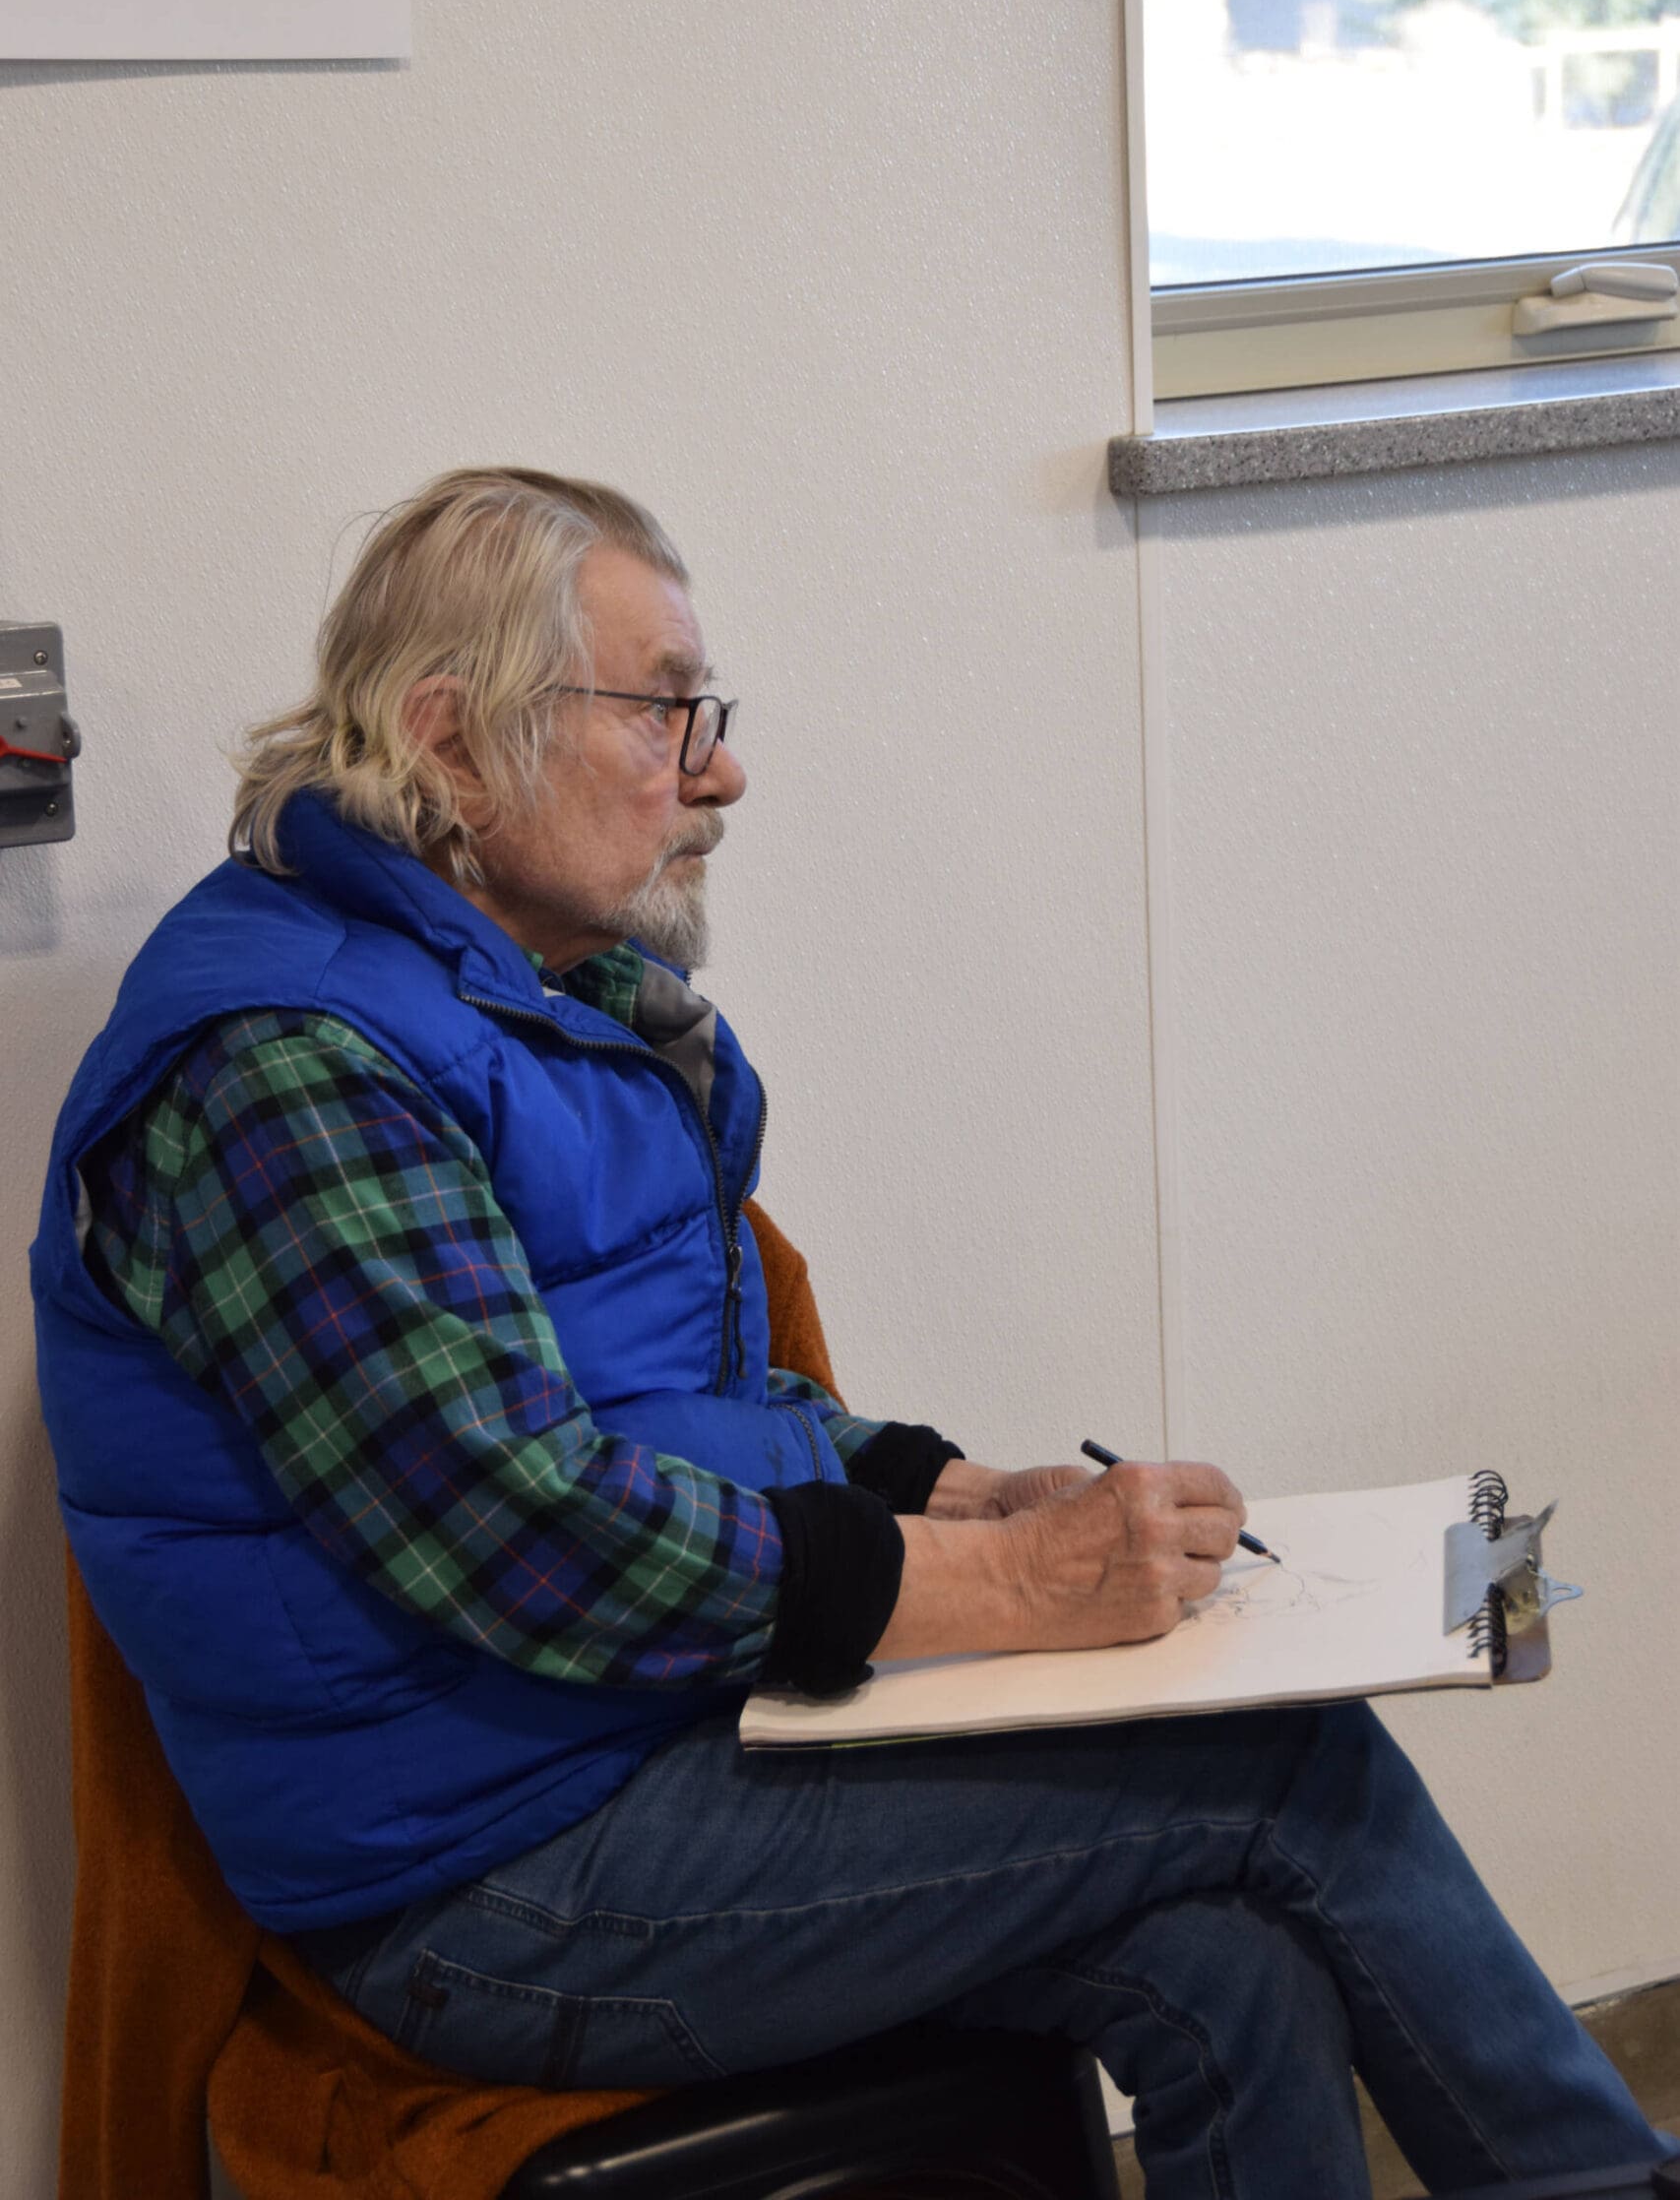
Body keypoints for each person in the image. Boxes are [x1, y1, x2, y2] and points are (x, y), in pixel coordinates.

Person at [34, 468, 1668, 2200]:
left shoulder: (536, 996)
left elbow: (683, 1401)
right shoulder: (290, 1069)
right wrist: (1019, 1586)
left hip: (635, 1745)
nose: (718, 770)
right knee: (1291, 1760)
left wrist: (953, 1492)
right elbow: (528, 1531)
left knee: (1228, 1968)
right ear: (453, 740)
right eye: (663, 709)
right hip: (480, 1877)